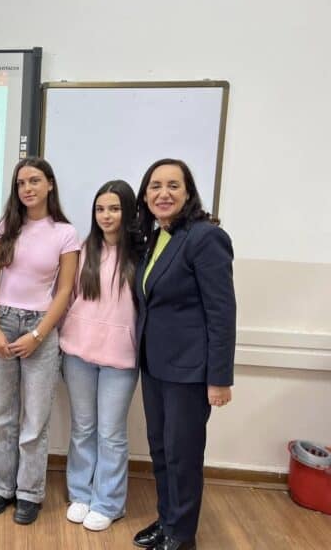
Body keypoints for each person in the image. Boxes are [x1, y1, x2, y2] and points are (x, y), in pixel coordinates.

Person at [132, 159, 236, 550]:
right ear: (145, 195)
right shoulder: (157, 237)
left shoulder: (205, 237)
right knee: (161, 450)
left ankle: (182, 534)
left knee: (183, 454)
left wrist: (219, 378)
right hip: (155, 365)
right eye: (155, 186)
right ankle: (167, 521)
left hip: (189, 371)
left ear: (188, 192)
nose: (163, 193)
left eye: (173, 185)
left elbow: (222, 312)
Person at [0, 157, 79, 525]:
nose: (27, 188)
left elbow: (65, 291)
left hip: (41, 325)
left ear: (50, 184)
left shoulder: (65, 233)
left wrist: (38, 335)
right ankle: (1, 487)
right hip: (3, 321)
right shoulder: (5, 227)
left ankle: (29, 493)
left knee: (35, 419)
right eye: (21, 183)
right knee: (0, 414)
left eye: (34, 181)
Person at [59, 180, 143, 531]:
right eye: (100, 209)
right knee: (83, 428)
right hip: (78, 353)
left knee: (111, 433)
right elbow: (68, 298)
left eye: (114, 208)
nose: (106, 216)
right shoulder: (84, 249)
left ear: (129, 212)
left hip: (121, 359)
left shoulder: (141, 254)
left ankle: (108, 502)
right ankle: (80, 494)